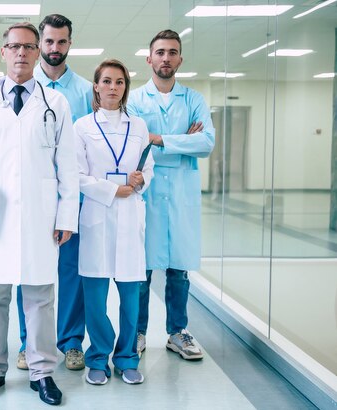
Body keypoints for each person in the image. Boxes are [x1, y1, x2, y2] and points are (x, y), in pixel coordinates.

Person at [0, 22, 79, 406]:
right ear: (3, 52)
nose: (21, 53)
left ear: (38, 52)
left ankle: (42, 373)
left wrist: (66, 217)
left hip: (41, 215)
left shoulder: (56, 103)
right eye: (13, 47)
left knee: (40, 299)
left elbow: (67, 166)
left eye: (28, 47)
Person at [126, 29, 215, 360]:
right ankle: (137, 332)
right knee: (142, 271)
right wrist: (182, 139)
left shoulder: (194, 99)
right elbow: (133, 141)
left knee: (179, 270)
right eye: (160, 52)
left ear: (180, 59)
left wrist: (160, 139)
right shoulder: (134, 99)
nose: (166, 58)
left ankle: (178, 332)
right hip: (146, 191)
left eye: (172, 52)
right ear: (149, 59)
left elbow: (206, 143)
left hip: (180, 194)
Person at [15, 13, 93, 372]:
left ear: (70, 43)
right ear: (39, 44)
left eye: (62, 42)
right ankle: (27, 343)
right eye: (48, 41)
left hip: (71, 198)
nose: (54, 48)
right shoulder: (23, 89)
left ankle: (72, 342)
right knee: (27, 271)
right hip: (31, 199)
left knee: (71, 272)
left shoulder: (84, 92)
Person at [74, 59, 153, 385]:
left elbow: (149, 168)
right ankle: (97, 357)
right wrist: (113, 190)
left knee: (130, 295)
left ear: (125, 87)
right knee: (94, 297)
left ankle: (126, 358)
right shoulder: (82, 127)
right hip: (97, 214)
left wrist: (137, 182)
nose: (112, 87)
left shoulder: (139, 126)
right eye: (106, 81)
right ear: (96, 86)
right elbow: (77, 175)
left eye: (119, 82)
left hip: (129, 215)